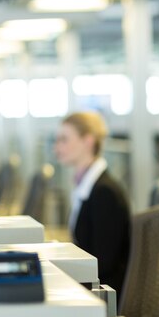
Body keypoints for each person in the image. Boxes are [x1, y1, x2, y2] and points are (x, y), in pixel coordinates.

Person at [54, 111, 130, 301]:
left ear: (87, 141)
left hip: (102, 298)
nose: (57, 147)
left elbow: (103, 265)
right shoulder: (88, 186)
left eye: (64, 139)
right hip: (90, 290)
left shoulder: (104, 193)